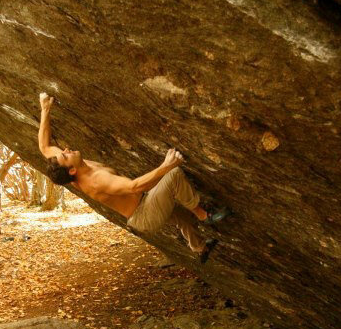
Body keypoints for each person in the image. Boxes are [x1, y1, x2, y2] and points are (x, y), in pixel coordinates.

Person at [38, 93, 228, 263]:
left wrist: (45, 108)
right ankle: (204, 215)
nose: (66, 150)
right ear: (71, 170)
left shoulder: (71, 166)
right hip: (143, 214)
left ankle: (200, 248)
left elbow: (44, 147)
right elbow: (135, 186)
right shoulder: (97, 179)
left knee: (180, 216)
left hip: (143, 206)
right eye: (65, 155)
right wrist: (167, 165)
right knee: (174, 176)